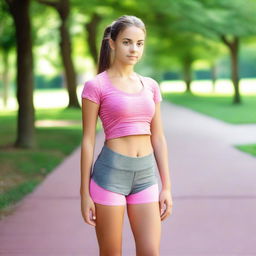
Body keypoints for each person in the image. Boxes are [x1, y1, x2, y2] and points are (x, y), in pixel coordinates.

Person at [80, 14, 173, 256]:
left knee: (150, 252)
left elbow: (159, 138)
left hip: (145, 175)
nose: (134, 49)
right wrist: (84, 193)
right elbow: (88, 140)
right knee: (111, 253)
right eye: (127, 42)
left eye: (140, 43)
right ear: (112, 43)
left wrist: (167, 187)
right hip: (109, 175)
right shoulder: (96, 86)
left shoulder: (151, 85)